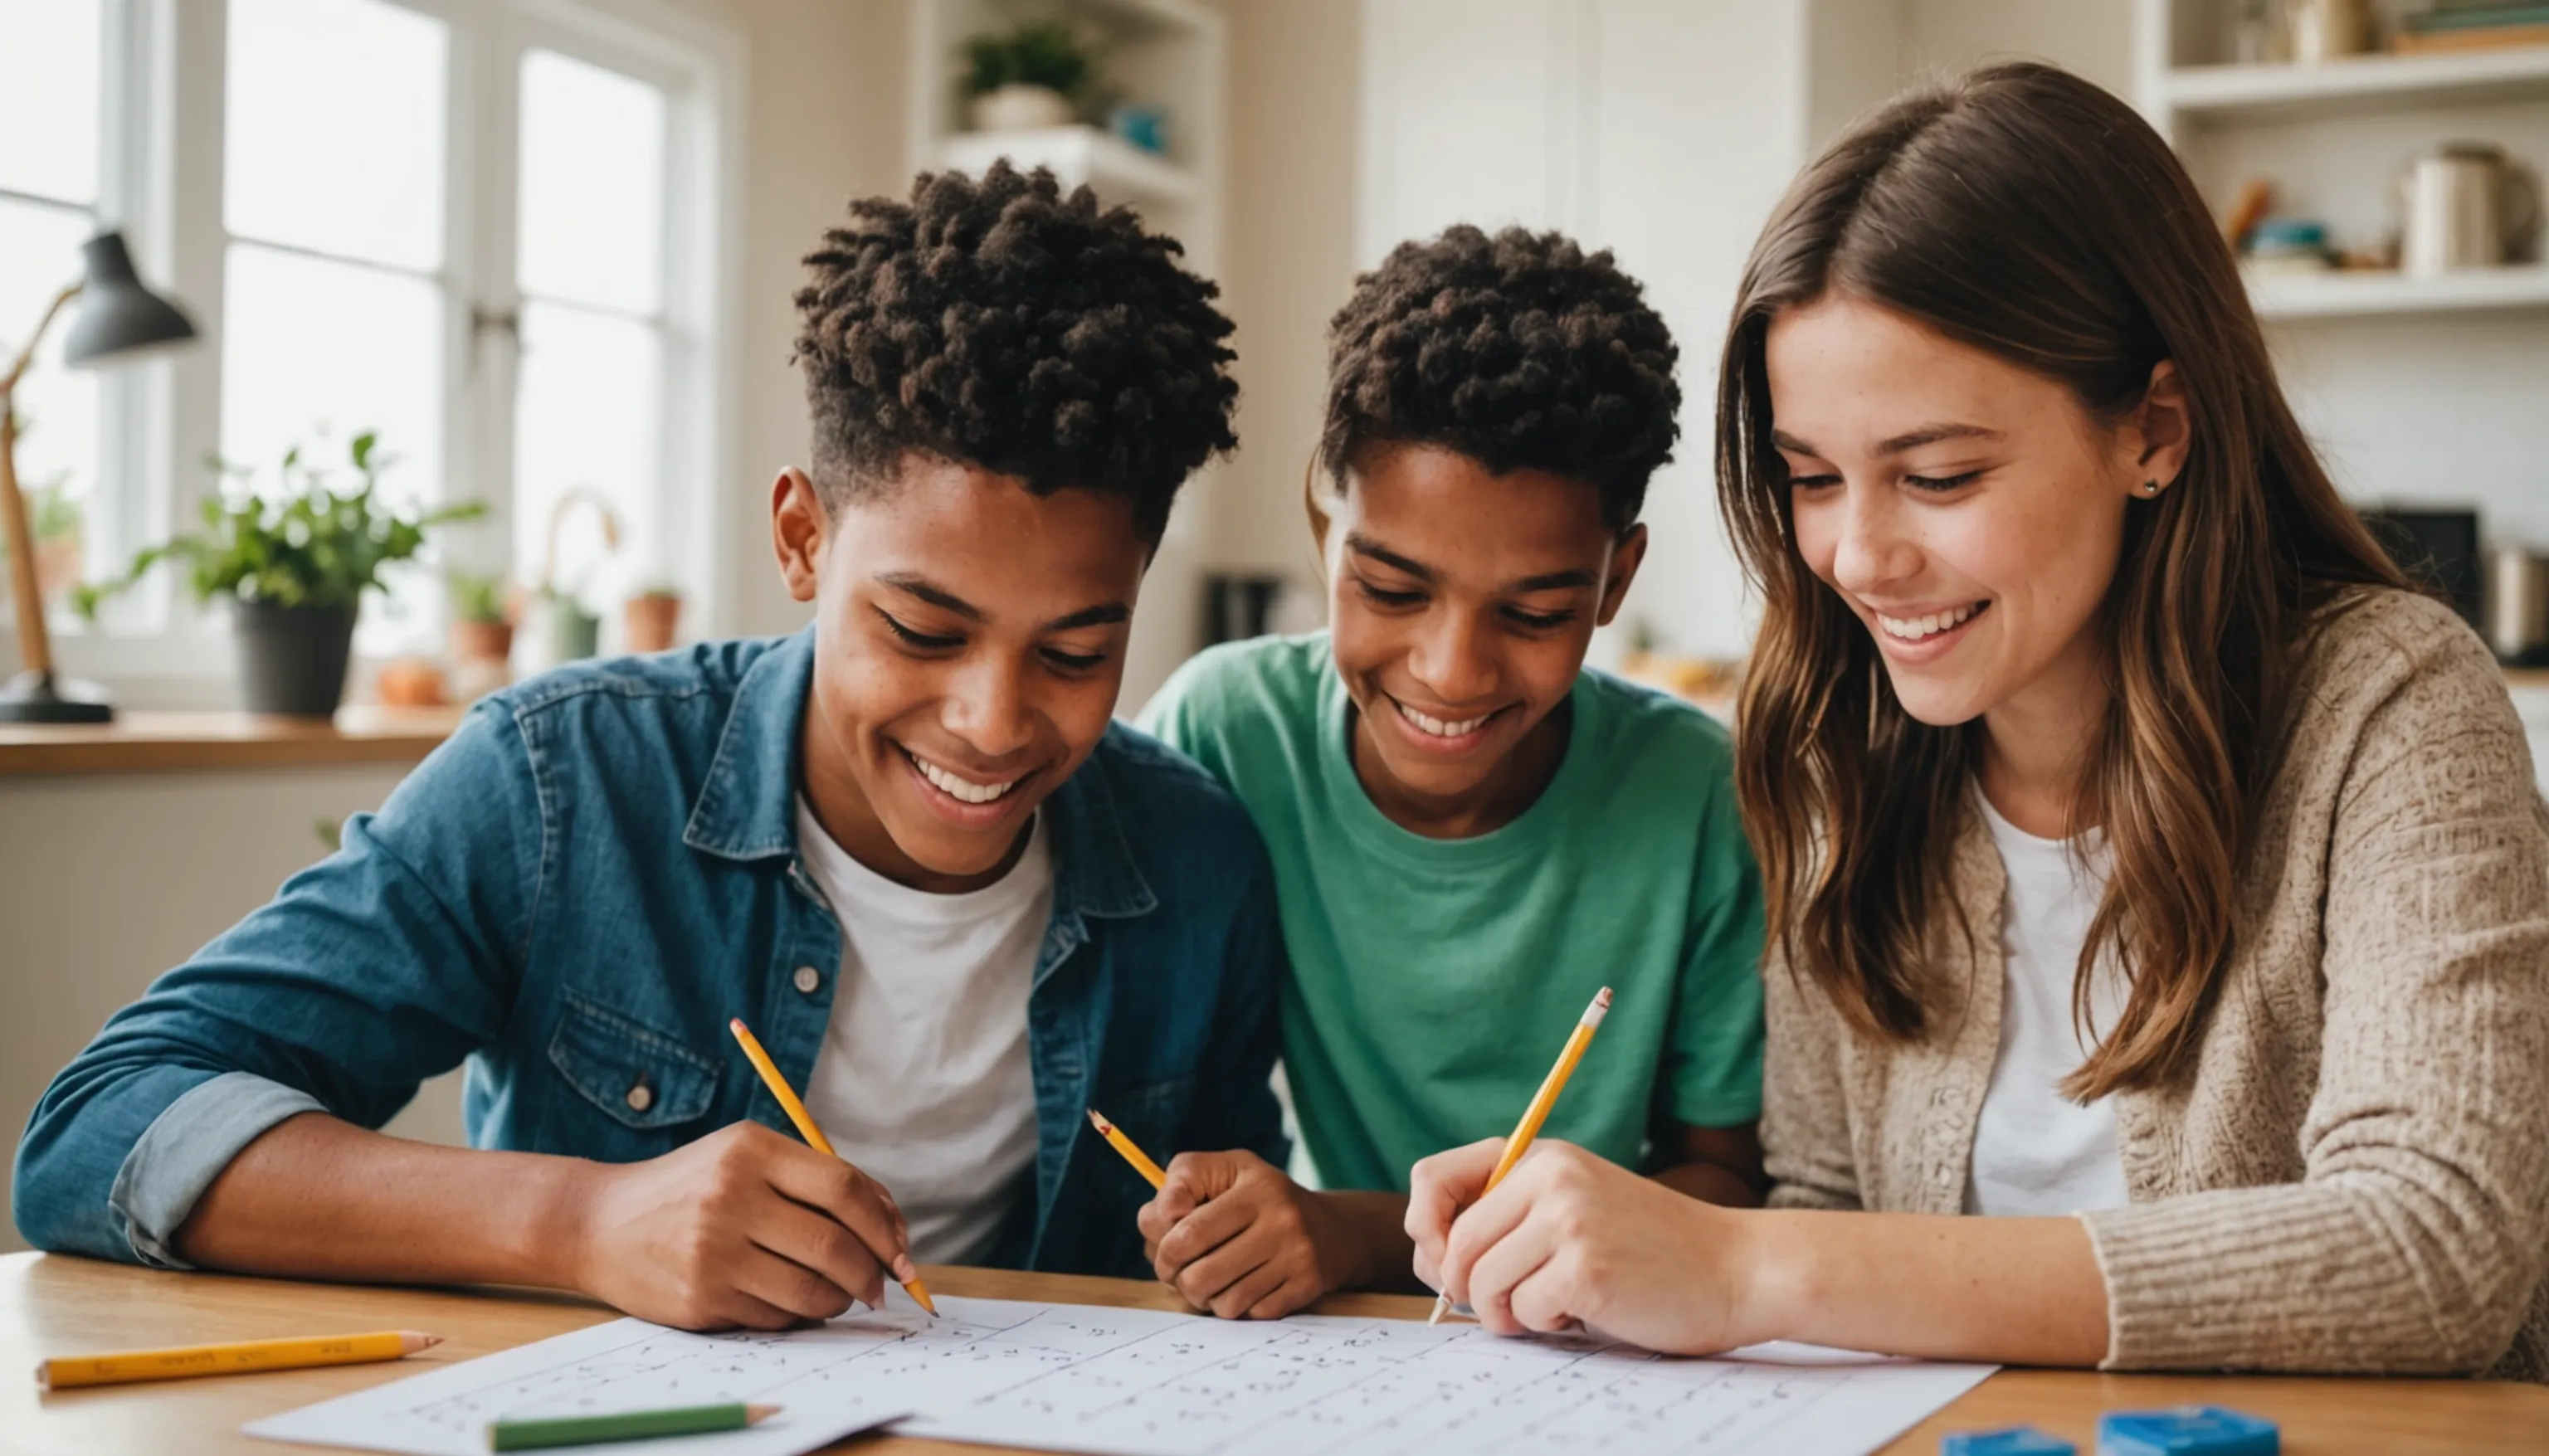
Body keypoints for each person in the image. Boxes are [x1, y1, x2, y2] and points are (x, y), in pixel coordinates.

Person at [1406, 62, 2549, 1381]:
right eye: (1811, 478)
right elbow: (1832, 1222)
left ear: (2155, 431)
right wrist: (1610, 1251)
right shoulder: (1846, 755)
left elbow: (2436, 1249)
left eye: (1938, 474)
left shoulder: (2392, 710)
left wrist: (1740, 1266)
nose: (1857, 554)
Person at [14, 162, 1288, 1332]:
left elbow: (1214, 1260)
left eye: (1074, 652)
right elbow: (98, 1128)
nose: (995, 721)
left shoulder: (1198, 859)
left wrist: (1244, 1235)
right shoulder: (563, 782)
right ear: (800, 538)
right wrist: (579, 1222)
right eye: (920, 627)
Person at [1135, 225, 1767, 1322]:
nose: (1452, 671)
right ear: (1323, 524)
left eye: (1533, 613)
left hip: (1596, 1342)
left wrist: (1354, 1233)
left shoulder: (1702, 800)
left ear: (1616, 581)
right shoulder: (1224, 736)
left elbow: (1723, 1180)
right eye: (1390, 590)